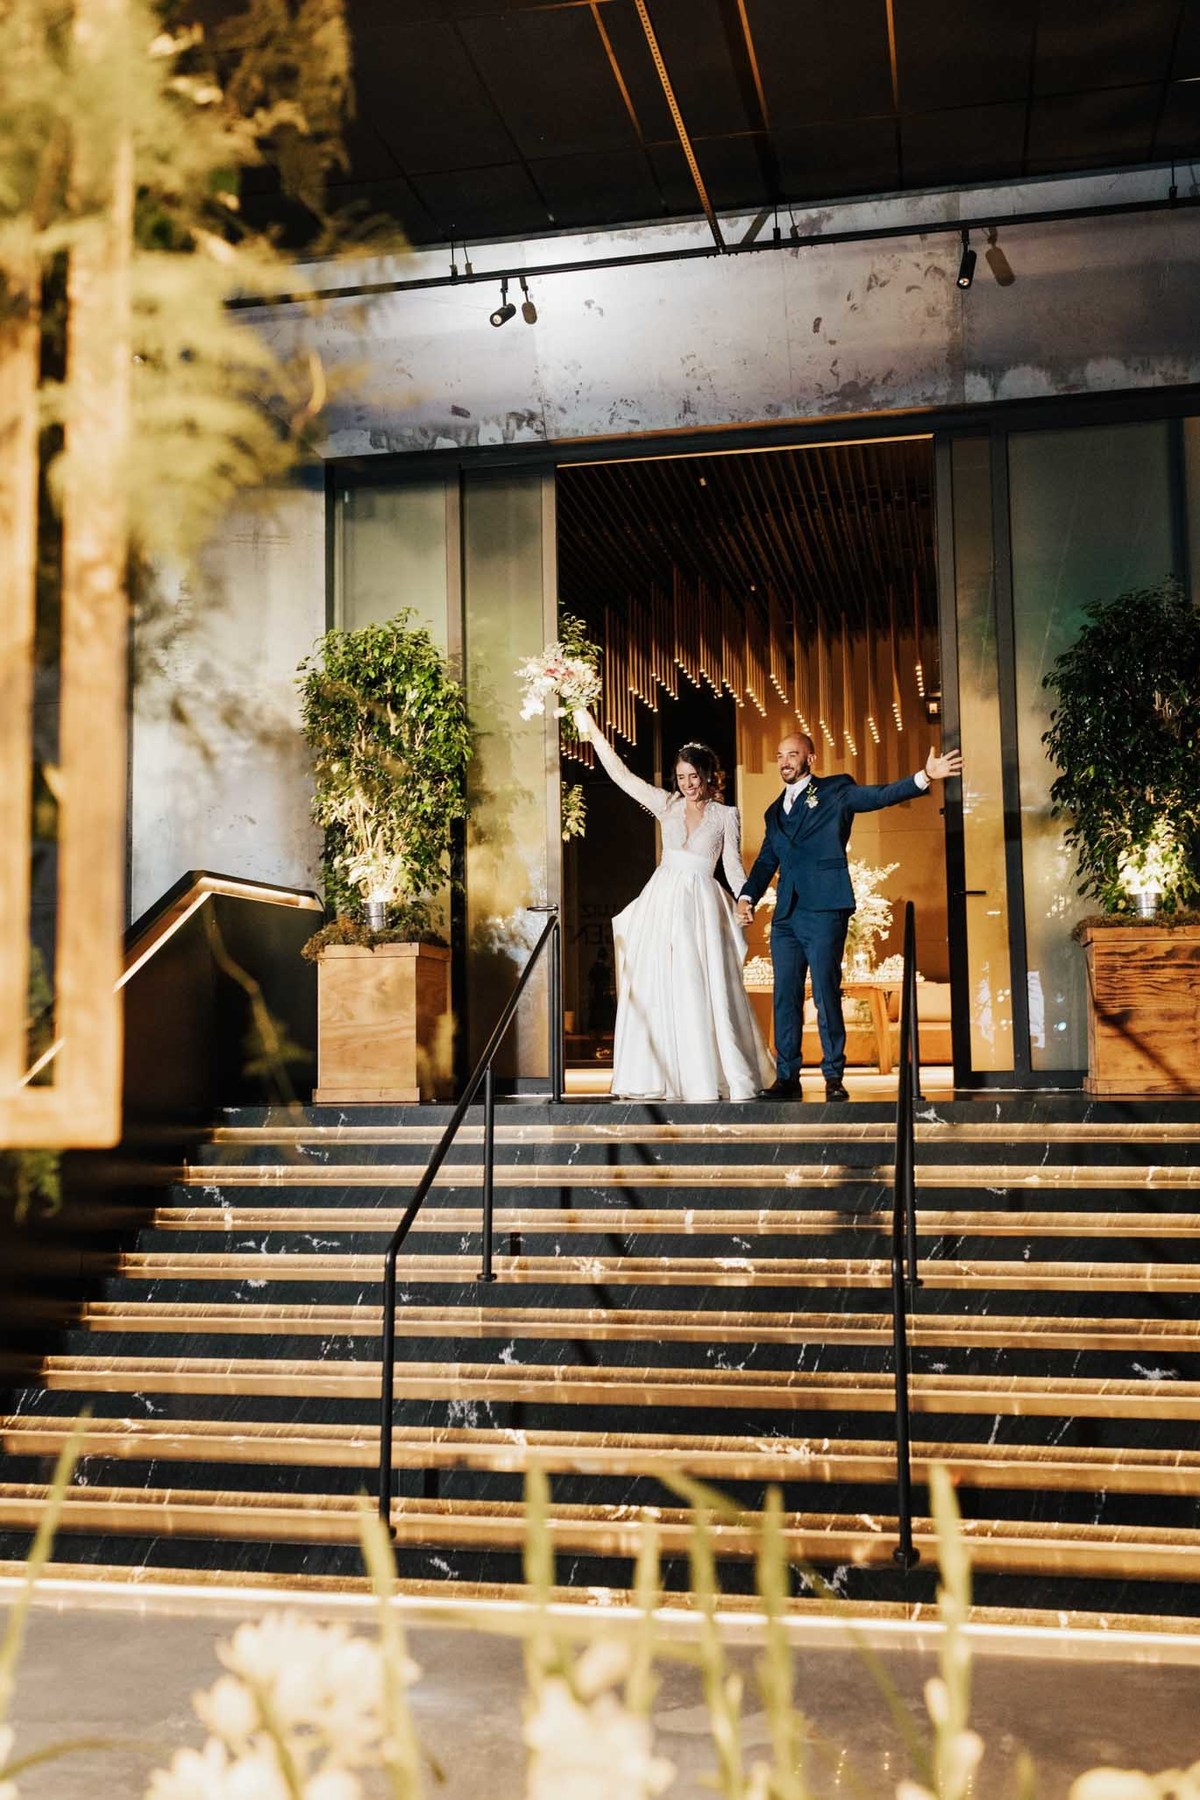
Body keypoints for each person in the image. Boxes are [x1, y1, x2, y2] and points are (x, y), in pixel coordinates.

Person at [736, 733, 963, 1101]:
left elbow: (878, 796)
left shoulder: (835, 790)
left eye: (792, 754)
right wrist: (747, 896)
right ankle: (787, 1078)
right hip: (786, 916)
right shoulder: (774, 812)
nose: (784, 762)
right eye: (780, 756)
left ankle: (833, 1076)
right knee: (785, 996)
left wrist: (923, 777)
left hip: (825, 908)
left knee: (825, 993)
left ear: (810, 758)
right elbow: (766, 860)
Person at [573, 707, 773, 1102]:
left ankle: (707, 1074)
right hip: (663, 901)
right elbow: (622, 776)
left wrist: (745, 899)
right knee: (660, 985)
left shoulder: (726, 815)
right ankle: (660, 1072)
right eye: (681, 777)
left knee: (700, 986)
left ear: (708, 775)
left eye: (693, 776)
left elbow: (733, 866)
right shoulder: (666, 804)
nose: (687, 784)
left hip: (701, 904)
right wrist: (593, 731)